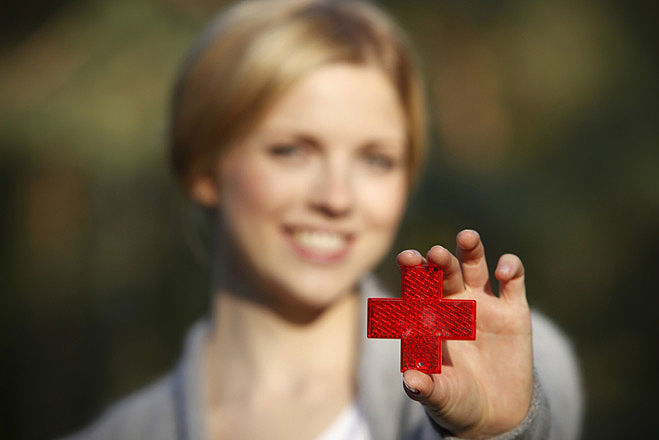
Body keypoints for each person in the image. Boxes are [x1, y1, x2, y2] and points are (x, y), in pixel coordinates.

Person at [64, 0, 583, 439]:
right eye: (292, 150)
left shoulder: (503, 356)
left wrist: (499, 432)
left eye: (376, 159)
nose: (337, 198)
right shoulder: (125, 430)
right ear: (203, 166)